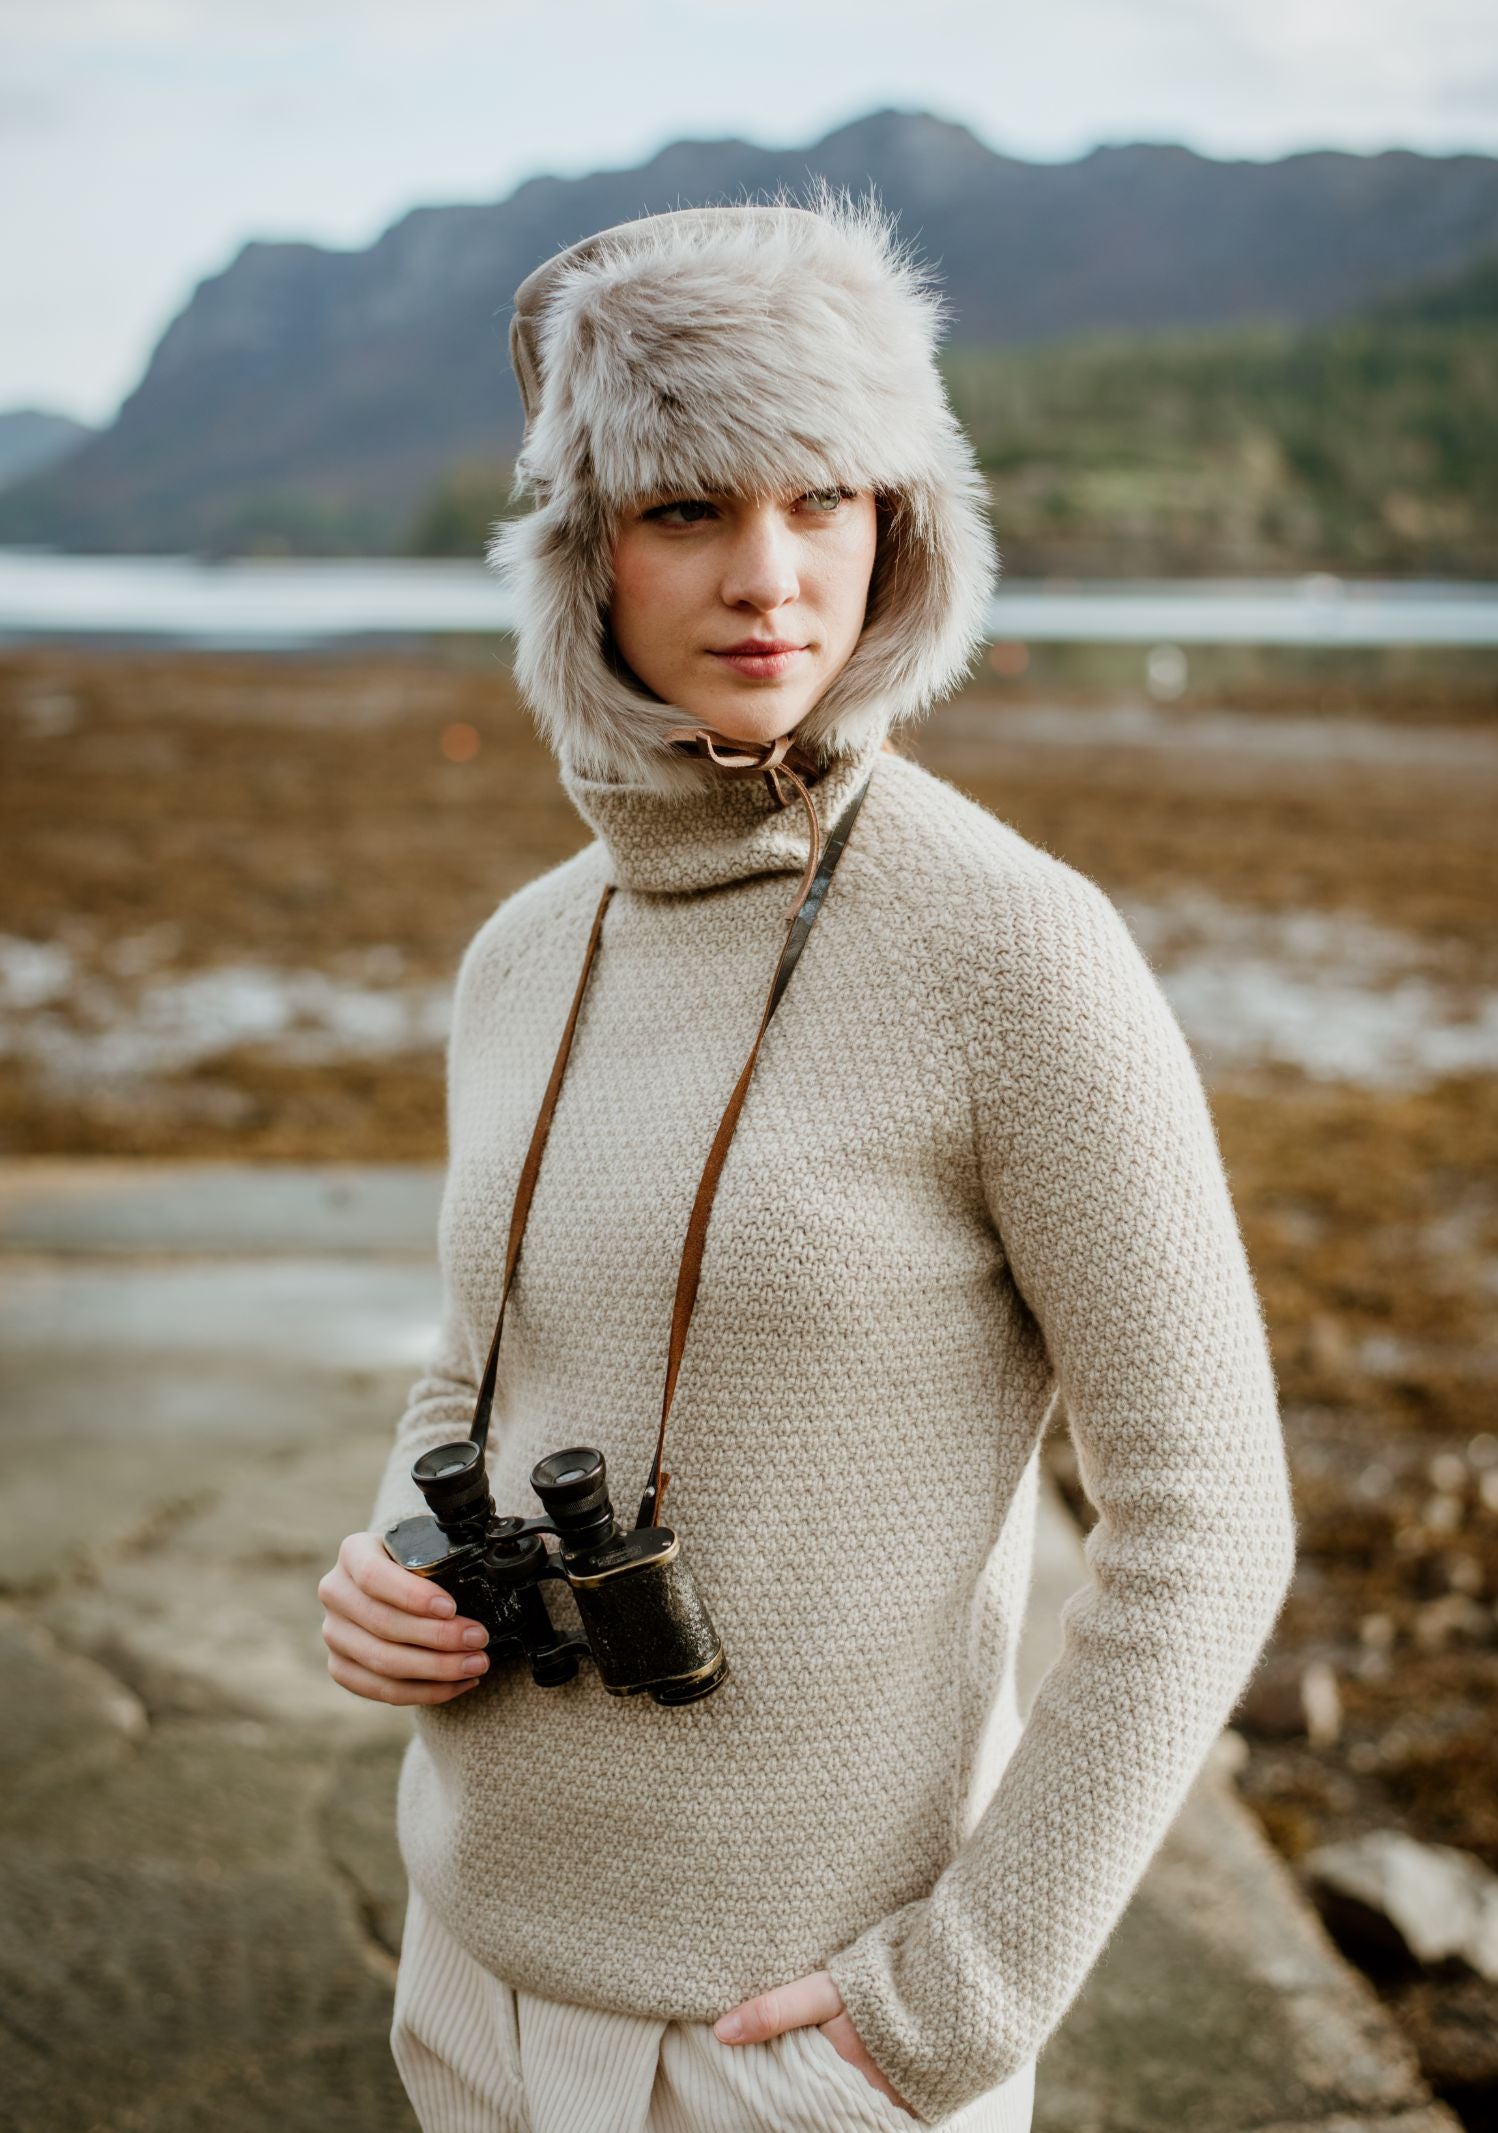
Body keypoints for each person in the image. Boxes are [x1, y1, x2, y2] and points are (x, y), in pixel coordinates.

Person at [317, 183, 1298, 2133]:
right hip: (466, 1972)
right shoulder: (522, 953)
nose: (768, 572)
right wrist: (387, 1565)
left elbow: (1207, 1519)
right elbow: (478, 1365)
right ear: (582, 551)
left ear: (899, 524)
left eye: (821, 497)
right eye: (686, 508)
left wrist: (952, 2002)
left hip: (788, 2049)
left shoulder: (1016, 950)